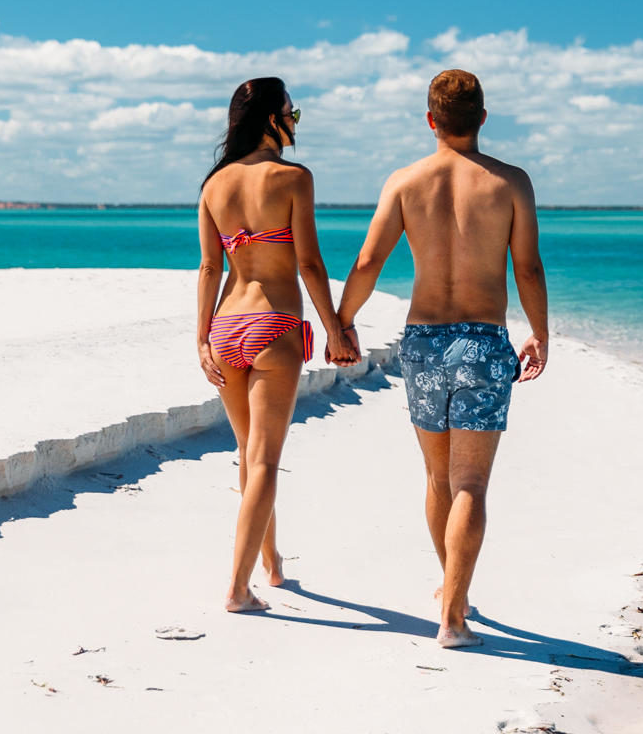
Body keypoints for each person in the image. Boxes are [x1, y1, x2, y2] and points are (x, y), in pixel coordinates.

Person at [336, 68, 548, 648]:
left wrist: (342, 321)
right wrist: (540, 333)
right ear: (482, 118)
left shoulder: (405, 182)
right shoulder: (511, 183)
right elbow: (526, 267)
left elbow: (366, 262)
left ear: (430, 120)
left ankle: (449, 591)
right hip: (482, 343)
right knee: (470, 483)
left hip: (425, 343)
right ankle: (453, 617)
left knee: (437, 477)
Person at [196, 76, 357, 612]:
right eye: (293, 112)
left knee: (248, 455)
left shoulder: (214, 185)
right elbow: (308, 262)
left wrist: (201, 341)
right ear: (272, 118)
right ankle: (239, 588)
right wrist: (334, 327)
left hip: (225, 330)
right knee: (264, 461)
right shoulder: (292, 178)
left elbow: (209, 268)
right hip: (272, 325)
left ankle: (270, 563)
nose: (295, 121)